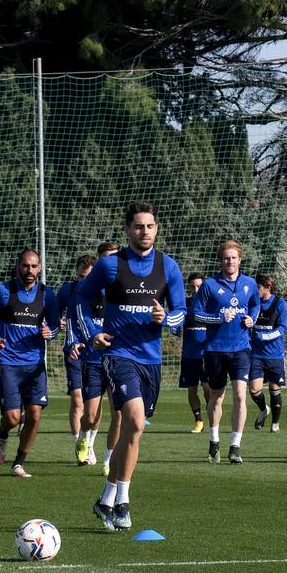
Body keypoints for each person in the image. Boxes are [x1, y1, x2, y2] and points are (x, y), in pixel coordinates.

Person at [75, 202, 186, 531]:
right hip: (118, 354)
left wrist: (165, 318)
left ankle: (106, 498)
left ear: (157, 228)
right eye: (138, 226)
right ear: (127, 230)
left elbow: (180, 313)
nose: (145, 232)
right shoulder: (110, 265)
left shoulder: (169, 267)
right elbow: (81, 299)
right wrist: (92, 334)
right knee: (134, 422)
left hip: (151, 360)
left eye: (150, 226)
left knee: (133, 431)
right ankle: (123, 502)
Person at [0, 249, 62, 479]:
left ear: (40, 269)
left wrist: (50, 332)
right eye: (26, 266)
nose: (30, 271)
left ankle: (18, 463)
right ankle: (3, 432)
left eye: (34, 266)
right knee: (13, 418)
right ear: (18, 266)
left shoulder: (47, 295)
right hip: (8, 362)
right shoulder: (3, 291)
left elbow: (56, 325)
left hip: (35, 364)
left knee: (34, 414)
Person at [194, 240, 260, 465]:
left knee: (241, 395)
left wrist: (253, 318)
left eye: (233, 258)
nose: (230, 261)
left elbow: (255, 304)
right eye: (226, 258)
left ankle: (235, 446)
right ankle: (214, 441)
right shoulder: (210, 285)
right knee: (216, 397)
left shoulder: (250, 284)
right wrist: (218, 318)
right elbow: (196, 314)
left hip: (241, 348)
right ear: (220, 260)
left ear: (239, 260)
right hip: (215, 350)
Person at [70, 242, 120, 474]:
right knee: (90, 416)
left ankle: (109, 460)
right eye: (106, 258)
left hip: (119, 359)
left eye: (115, 257)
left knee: (118, 413)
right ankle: (84, 437)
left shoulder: (126, 289)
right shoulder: (88, 290)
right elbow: (77, 318)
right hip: (93, 360)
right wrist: (90, 337)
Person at [57, 255, 96, 460]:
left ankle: (89, 443)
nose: (84, 281)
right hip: (73, 351)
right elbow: (54, 314)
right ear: (76, 273)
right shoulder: (68, 290)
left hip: (95, 352)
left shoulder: (101, 291)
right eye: (81, 276)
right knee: (78, 400)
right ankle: (79, 445)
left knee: (93, 404)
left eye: (88, 277)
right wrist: (57, 324)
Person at [249, 275, 287, 433]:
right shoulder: (253, 303)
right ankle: (263, 409)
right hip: (256, 355)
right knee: (254, 389)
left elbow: (283, 328)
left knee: (274, 389)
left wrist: (265, 336)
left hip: (274, 355)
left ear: (268, 287)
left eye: (257, 287)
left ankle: (275, 424)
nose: (255, 291)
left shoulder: (280, 304)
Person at [176, 272, 210, 434]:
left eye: (199, 286)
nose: (196, 290)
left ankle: (212, 417)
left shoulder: (210, 305)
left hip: (206, 355)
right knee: (191, 390)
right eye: (193, 287)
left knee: (207, 388)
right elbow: (177, 325)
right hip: (188, 355)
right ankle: (198, 421)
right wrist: (175, 327)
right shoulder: (185, 304)